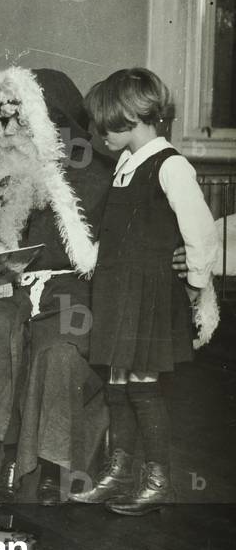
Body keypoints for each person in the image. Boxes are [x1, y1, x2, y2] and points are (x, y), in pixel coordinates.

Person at [0, 67, 113, 506]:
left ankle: (49, 467)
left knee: (57, 353)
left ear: (50, 119)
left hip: (75, 291)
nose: (9, 128)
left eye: (18, 118)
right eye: (3, 118)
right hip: (15, 288)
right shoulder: (5, 169)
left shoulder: (96, 172)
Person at [76, 68, 219, 515]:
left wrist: (195, 284)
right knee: (118, 381)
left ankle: (159, 480)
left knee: (143, 384)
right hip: (119, 290)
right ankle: (120, 473)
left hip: (148, 294)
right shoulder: (125, 164)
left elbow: (201, 234)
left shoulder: (171, 165)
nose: (98, 135)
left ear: (128, 117)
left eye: (104, 124)